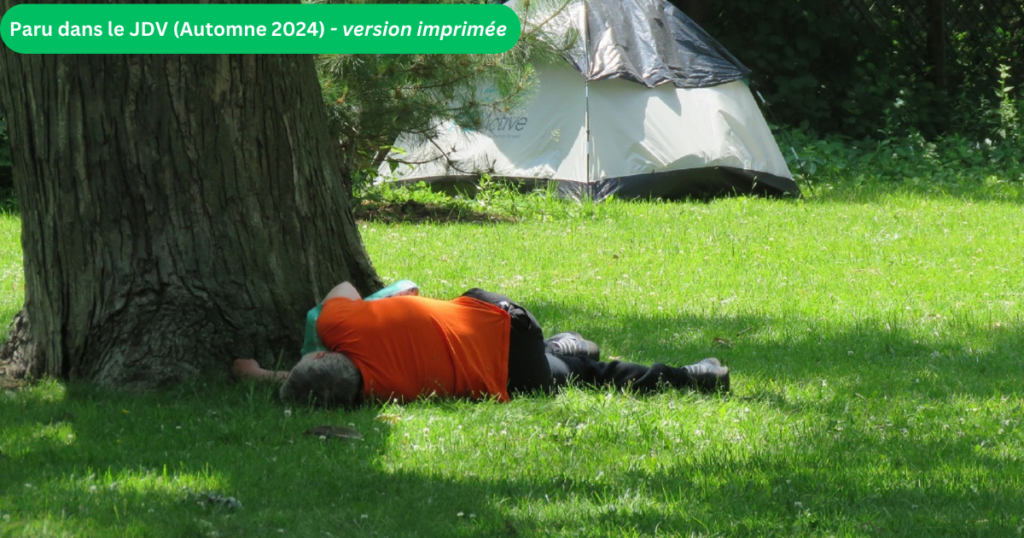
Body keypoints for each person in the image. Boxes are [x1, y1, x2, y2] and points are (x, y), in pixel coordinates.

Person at [232, 282, 730, 408]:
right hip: (504, 323)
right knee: (575, 370)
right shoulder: (341, 324)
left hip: (509, 373)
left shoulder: (377, 391)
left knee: (580, 375)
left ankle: (697, 375)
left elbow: (321, 384)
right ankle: (566, 347)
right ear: (322, 351)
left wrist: (259, 376)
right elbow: (342, 288)